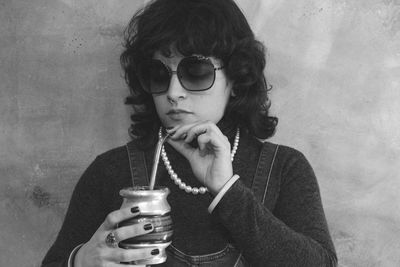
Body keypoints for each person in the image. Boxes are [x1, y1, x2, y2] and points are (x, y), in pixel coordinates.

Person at [42, 0, 338, 266]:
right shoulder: (110, 171)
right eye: (158, 74)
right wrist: (79, 261)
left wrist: (227, 191)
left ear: (236, 77)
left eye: (195, 72)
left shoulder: (284, 169)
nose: (173, 93)